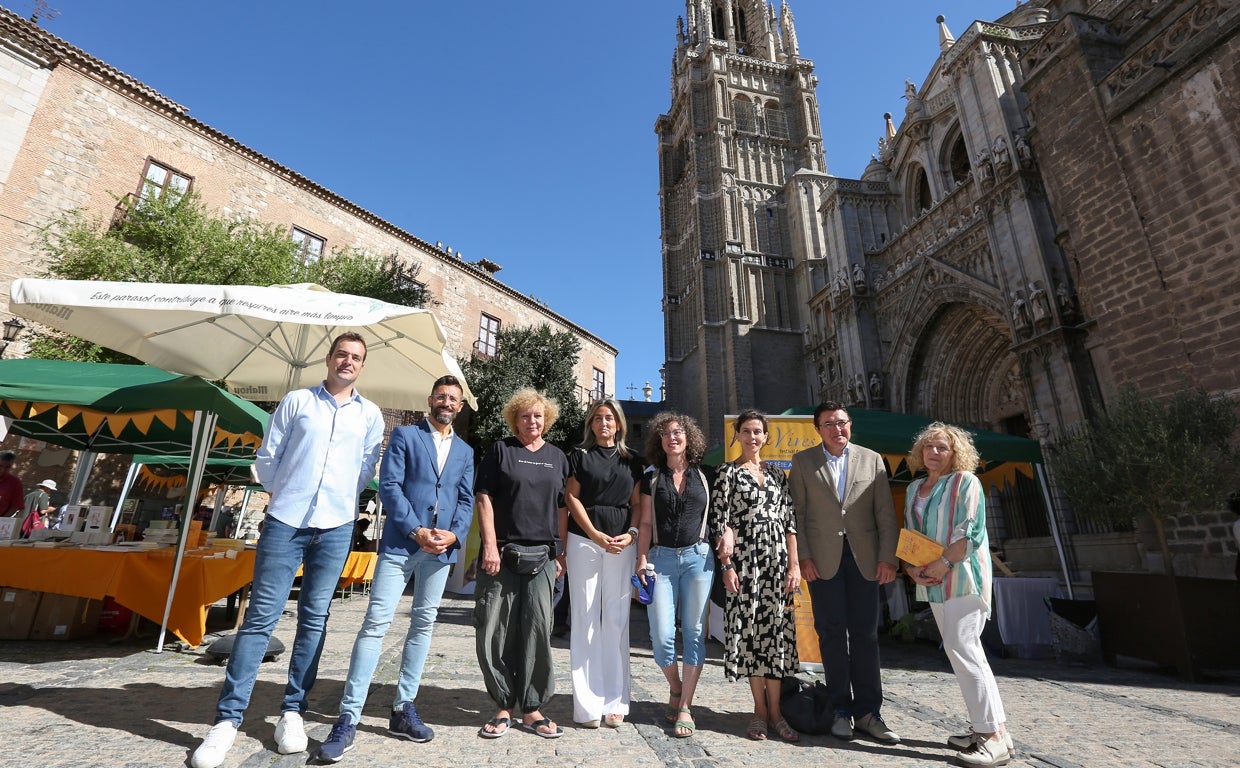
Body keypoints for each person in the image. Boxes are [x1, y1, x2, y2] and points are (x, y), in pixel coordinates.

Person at [190, 332, 384, 768]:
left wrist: (338, 503)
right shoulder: (297, 401)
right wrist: (286, 495)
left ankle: (293, 710)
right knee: (261, 617)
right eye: (342, 354)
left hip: (335, 526)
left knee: (315, 620)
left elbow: (367, 467)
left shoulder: (371, 415)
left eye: (356, 357)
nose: (347, 362)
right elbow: (267, 457)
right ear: (329, 358)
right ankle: (227, 720)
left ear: (362, 365)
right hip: (286, 521)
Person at [318, 375, 475, 761]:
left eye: (453, 399)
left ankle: (404, 708)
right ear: (430, 400)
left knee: (423, 624)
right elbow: (390, 486)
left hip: (440, 551)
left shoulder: (466, 451)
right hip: (402, 545)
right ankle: (349, 716)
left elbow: (466, 500)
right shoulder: (406, 435)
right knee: (376, 623)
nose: (447, 402)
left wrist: (454, 536)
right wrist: (416, 529)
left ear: (459, 406)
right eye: (441, 396)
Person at [789, 402, 900, 744]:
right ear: (818, 429)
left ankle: (869, 713)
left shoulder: (872, 459)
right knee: (832, 634)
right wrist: (804, 557)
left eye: (842, 423)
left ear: (850, 425)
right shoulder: (804, 461)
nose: (837, 429)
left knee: (866, 637)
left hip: (865, 560)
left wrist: (888, 558)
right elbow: (798, 514)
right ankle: (840, 710)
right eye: (829, 424)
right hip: (823, 562)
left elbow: (885, 514)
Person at [902, 423, 1013, 767]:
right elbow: (911, 533)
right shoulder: (913, 488)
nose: (934, 452)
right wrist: (911, 567)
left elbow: (972, 531)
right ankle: (994, 732)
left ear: (955, 454)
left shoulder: (966, 481)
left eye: (943, 448)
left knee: (963, 648)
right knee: (964, 651)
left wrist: (944, 563)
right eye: (930, 447)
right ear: (920, 451)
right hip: (932, 580)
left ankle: (991, 737)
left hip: (963, 576)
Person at [473, 388, 569, 740]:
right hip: (501, 553)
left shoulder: (558, 457)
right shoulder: (501, 451)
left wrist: (561, 553)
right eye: (526, 415)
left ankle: (531, 708)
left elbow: (562, 508)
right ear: (515, 418)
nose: (532, 421)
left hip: (542, 556)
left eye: (538, 416)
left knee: (538, 630)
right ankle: (502, 705)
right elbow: (483, 498)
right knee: (493, 630)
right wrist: (489, 547)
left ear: (547, 420)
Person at [712, 410, 801, 742]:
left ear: (766, 436)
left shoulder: (778, 475)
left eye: (758, 432)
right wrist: (727, 566)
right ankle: (760, 712)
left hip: (778, 567)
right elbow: (720, 523)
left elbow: (790, 523)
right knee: (751, 639)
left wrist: (794, 566)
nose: (752, 437)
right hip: (746, 567)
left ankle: (777, 713)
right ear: (737, 434)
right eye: (746, 431)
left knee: (776, 638)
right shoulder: (728, 473)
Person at [634, 411, 717, 739]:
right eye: (666, 433)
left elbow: (721, 514)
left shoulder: (706, 474)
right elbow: (644, 523)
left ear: (688, 437)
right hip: (660, 561)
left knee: (695, 632)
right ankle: (676, 686)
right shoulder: (650, 478)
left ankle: (684, 705)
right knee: (662, 638)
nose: (673, 437)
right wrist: (641, 560)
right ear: (659, 441)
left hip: (699, 559)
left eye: (678, 431)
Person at [564, 398, 643, 729]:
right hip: (584, 542)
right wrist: (595, 534)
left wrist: (632, 534)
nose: (604, 423)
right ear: (590, 424)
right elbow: (571, 498)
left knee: (616, 619)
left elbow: (638, 503)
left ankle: (615, 701)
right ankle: (586, 705)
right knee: (584, 619)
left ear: (619, 423)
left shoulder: (633, 461)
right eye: (597, 418)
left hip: (621, 544)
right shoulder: (579, 457)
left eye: (609, 418)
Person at [0, 451, 22, 519]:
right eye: (0, 466)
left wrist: (2, 520)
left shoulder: (15, 483)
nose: (3, 470)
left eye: (7, 467)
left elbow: (15, 506)